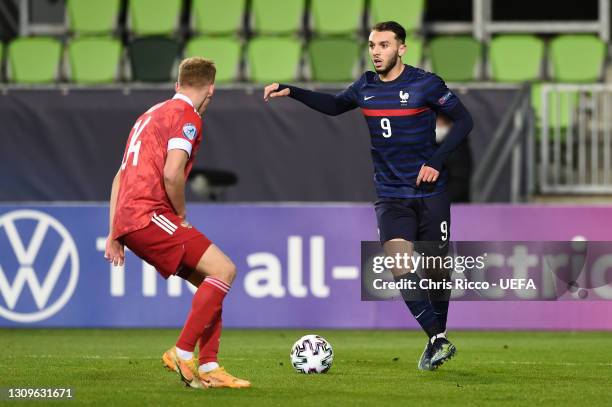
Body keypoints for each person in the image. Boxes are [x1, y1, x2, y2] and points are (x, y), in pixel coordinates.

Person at [264, 21, 473, 370]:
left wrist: (436, 161)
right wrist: (292, 90)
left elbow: (464, 121)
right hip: (391, 195)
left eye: (384, 45)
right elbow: (334, 106)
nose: (376, 51)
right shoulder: (366, 86)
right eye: (373, 45)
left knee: (437, 270)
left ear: (402, 49)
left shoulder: (425, 84)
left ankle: (438, 333)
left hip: (430, 193)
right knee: (399, 264)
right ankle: (437, 339)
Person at [104, 57, 250, 389]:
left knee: (211, 284)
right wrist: (180, 214)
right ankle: (183, 352)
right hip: (150, 215)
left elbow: (119, 176)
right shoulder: (188, 117)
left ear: (177, 85)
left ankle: (210, 367)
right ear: (212, 88)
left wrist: (113, 232)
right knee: (225, 270)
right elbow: (172, 173)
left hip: (130, 218)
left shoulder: (148, 115)